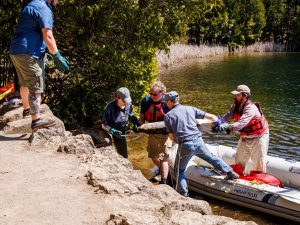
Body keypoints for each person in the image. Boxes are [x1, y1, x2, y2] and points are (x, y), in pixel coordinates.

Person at [163, 91, 239, 197]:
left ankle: (183, 195)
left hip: (185, 144)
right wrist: (217, 124)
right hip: (198, 140)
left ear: (170, 102)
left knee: (178, 170)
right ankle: (230, 172)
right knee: (211, 158)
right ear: (178, 99)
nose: (165, 104)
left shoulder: (168, 116)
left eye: (166, 101)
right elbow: (212, 117)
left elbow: (171, 137)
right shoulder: (190, 108)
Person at [9, 0, 69, 132]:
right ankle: (36, 120)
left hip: (17, 50)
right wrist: (57, 56)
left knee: (24, 82)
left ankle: (26, 110)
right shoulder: (44, 9)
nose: (59, 2)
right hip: (29, 52)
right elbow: (48, 35)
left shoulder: (33, 4)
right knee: (36, 85)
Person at [213, 85, 269, 173]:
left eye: (238, 95)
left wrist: (228, 127)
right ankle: (239, 178)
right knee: (239, 163)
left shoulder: (250, 108)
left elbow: (241, 123)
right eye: (235, 94)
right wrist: (218, 122)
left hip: (259, 136)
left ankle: (258, 182)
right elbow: (227, 117)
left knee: (259, 166)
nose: (235, 97)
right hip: (245, 137)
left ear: (245, 95)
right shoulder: (235, 105)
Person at [139, 81, 170, 184]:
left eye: (155, 94)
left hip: (165, 133)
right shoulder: (145, 101)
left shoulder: (168, 103)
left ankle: (164, 181)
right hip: (151, 131)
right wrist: (140, 126)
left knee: (163, 156)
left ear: (163, 93)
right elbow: (142, 117)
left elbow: (174, 120)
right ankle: (164, 171)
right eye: (150, 93)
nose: (152, 96)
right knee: (152, 155)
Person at [101, 87, 139, 158]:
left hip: (120, 132)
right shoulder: (109, 108)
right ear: (117, 97)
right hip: (106, 131)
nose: (126, 102)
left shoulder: (128, 105)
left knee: (124, 156)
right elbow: (103, 125)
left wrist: (135, 123)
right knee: (107, 142)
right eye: (124, 100)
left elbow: (130, 115)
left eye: (127, 100)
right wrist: (113, 131)